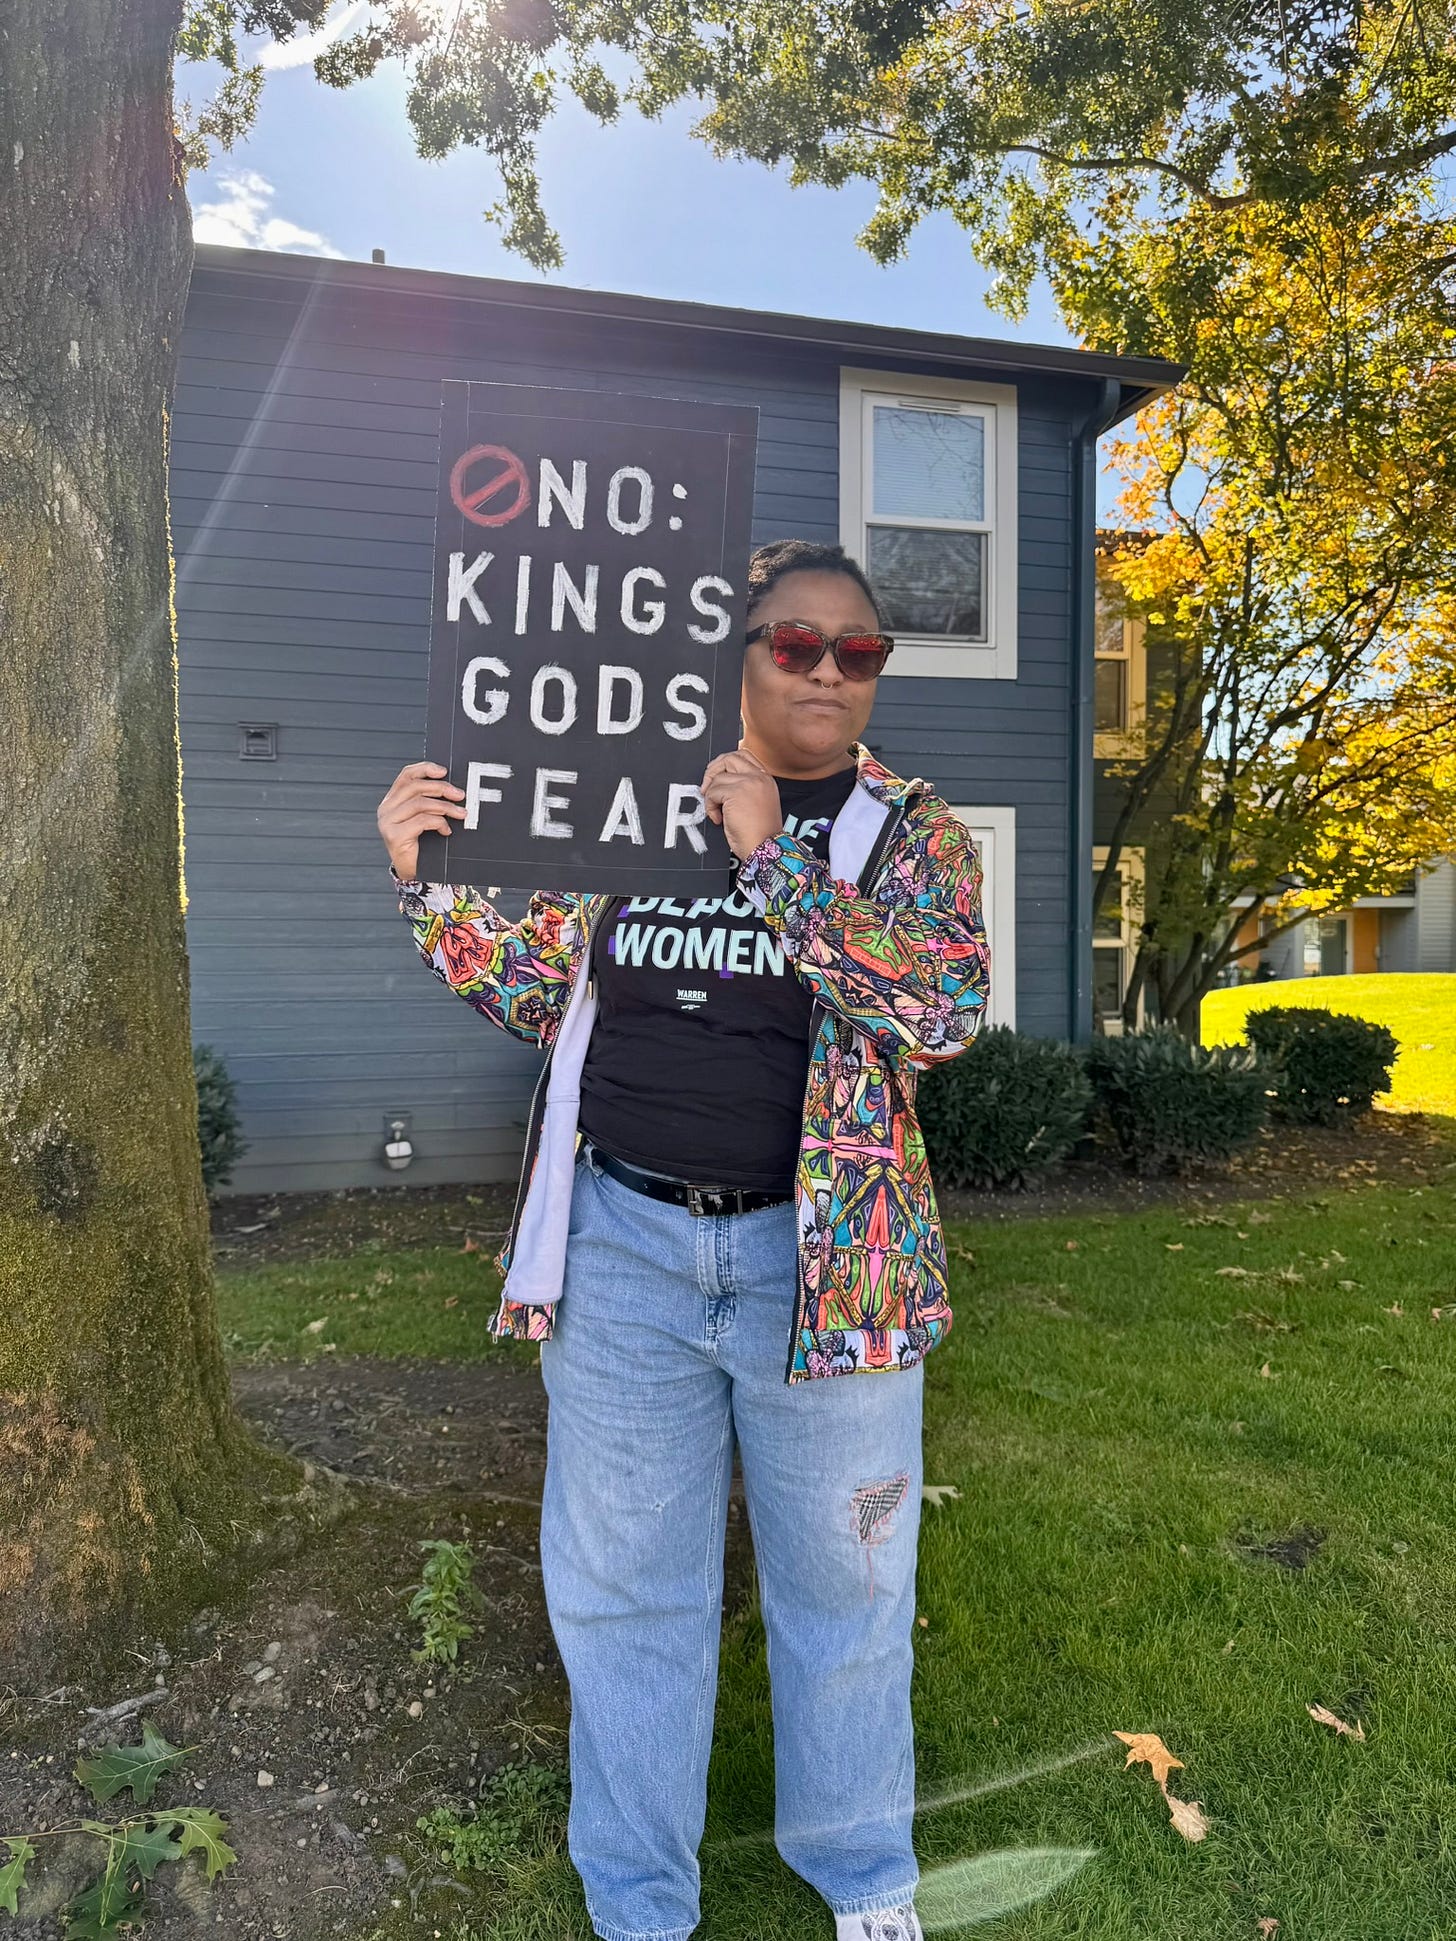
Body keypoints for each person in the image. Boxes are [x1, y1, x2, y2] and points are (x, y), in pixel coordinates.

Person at [377, 539, 991, 1941]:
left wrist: (772, 856)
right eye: (796, 643)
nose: (830, 669)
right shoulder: (620, 799)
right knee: (624, 1592)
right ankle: (641, 1900)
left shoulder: (912, 834)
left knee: (845, 1585)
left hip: (828, 1270)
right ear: (739, 658)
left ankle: (865, 1883)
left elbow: (939, 1010)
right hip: (626, 1249)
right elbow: (548, 984)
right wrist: (430, 880)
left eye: (859, 650)